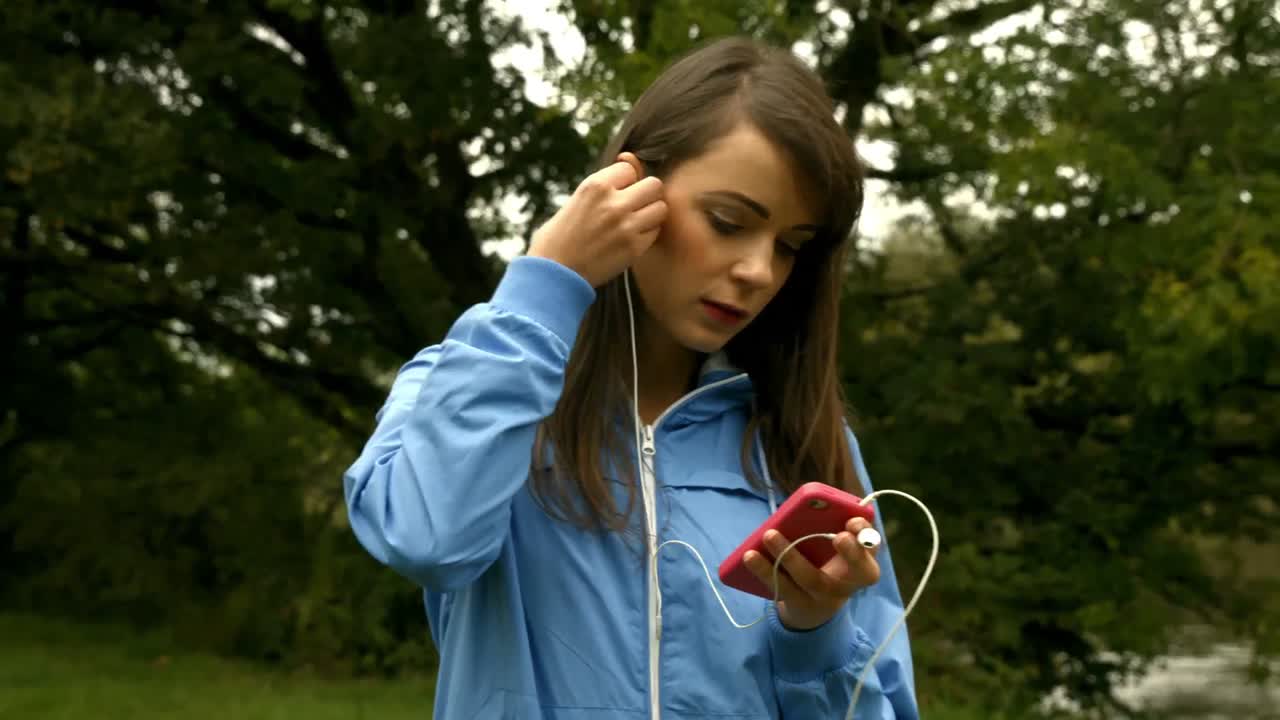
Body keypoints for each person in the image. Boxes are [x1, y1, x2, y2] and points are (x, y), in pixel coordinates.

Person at [343, 35, 919, 719]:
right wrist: (545, 283)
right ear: (628, 191)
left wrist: (815, 633)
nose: (759, 271)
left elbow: (880, 705)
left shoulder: (807, 444)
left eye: (790, 246)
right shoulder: (472, 380)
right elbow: (425, 540)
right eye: (729, 221)